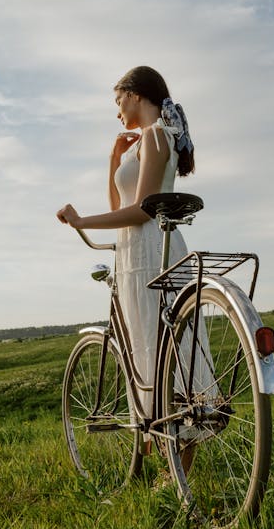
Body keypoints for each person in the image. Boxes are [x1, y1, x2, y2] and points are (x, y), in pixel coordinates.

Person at [57, 66, 195, 417]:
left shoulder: (154, 135)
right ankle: (167, 455)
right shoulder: (153, 137)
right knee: (156, 350)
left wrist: (81, 221)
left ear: (135, 95)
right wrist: (114, 160)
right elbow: (119, 207)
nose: (117, 111)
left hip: (150, 249)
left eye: (119, 101)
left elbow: (142, 211)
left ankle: (175, 458)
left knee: (158, 349)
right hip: (139, 250)